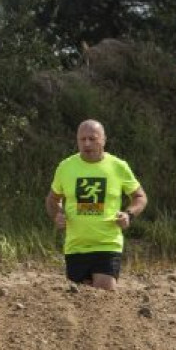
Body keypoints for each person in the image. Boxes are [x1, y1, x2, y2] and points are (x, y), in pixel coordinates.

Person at [45, 119, 147, 290]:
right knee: (79, 302)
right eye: (82, 139)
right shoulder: (65, 167)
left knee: (104, 295)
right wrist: (57, 215)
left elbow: (140, 196)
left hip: (107, 243)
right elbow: (52, 199)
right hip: (75, 246)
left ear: (103, 140)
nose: (87, 143)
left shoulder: (118, 166)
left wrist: (128, 214)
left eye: (92, 139)